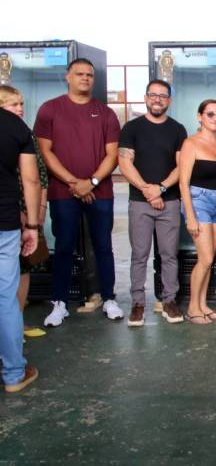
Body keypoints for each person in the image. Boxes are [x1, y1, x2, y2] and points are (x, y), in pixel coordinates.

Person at [33, 58, 122, 327]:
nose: (85, 78)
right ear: (67, 77)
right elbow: (44, 151)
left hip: (100, 192)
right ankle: (59, 303)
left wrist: (91, 182)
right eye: (79, 74)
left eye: (89, 75)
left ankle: (108, 298)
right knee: (64, 248)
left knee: (104, 247)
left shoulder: (106, 113)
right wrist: (74, 182)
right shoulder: (50, 110)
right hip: (64, 192)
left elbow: (113, 155)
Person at [118, 80, 187, 327]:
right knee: (139, 255)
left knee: (169, 255)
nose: (157, 99)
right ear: (146, 98)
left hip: (169, 202)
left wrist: (161, 188)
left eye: (163, 96)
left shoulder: (178, 129)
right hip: (140, 202)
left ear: (169, 100)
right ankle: (137, 304)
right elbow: (125, 163)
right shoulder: (132, 128)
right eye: (153, 95)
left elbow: (182, 166)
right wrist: (148, 191)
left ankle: (169, 301)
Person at [0, 86, 48, 339]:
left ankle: (15, 325)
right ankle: (12, 360)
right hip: (10, 218)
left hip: (19, 213)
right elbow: (32, 180)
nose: (19, 109)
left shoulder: (24, 132)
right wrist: (29, 221)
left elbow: (39, 177)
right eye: (12, 105)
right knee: (7, 288)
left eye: (20, 104)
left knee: (24, 268)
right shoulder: (18, 131)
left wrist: (36, 214)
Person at [1, 95, 41, 392]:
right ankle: (14, 374)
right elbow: (31, 180)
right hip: (5, 223)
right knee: (5, 299)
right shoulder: (15, 127)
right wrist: (32, 226)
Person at [178, 99, 216, 325]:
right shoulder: (191, 143)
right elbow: (183, 182)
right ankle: (192, 307)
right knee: (206, 257)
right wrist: (190, 215)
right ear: (200, 117)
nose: (215, 119)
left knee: (209, 258)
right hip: (199, 201)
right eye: (210, 114)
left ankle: (203, 304)